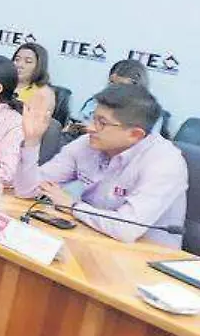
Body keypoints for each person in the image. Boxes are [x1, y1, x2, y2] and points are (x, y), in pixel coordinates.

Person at [14, 83, 187, 247]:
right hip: (92, 236)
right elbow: (27, 190)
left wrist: (73, 206)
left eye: (101, 123)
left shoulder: (164, 162)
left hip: (147, 256)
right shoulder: (88, 143)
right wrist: (32, 141)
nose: (90, 128)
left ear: (134, 134)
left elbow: (127, 229)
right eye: (93, 118)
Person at [65, 59, 166, 138]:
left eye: (121, 86)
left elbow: (146, 145)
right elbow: (81, 122)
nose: (114, 89)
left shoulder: (150, 114)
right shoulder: (94, 102)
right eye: (112, 83)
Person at [12, 42, 55, 106]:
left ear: (39, 66)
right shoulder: (3, 84)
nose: (19, 65)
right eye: (17, 59)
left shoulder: (43, 93)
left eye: (28, 61)